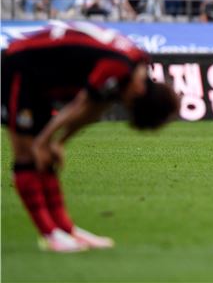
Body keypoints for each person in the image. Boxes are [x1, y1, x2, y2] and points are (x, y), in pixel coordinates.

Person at [1, 22, 179, 253]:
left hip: (38, 79)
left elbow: (93, 109)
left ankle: (66, 229)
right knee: (27, 154)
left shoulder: (134, 65)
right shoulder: (119, 65)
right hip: (18, 67)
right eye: (131, 107)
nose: (125, 105)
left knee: (45, 156)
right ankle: (49, 234)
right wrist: (45, 141)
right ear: (139, 93)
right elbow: (81, 104)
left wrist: (58, 143)